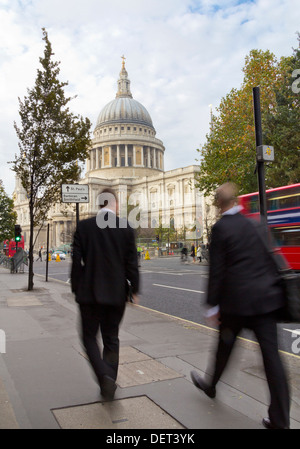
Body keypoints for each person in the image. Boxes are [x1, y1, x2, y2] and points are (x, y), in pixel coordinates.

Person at [190, 182, 290, 429]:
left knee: (224, 348)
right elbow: (271, 258)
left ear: (218, 205)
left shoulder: (221, 228)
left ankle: (211, 385)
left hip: (236, 305)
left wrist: (212, 305)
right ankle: (280, 420)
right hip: (266, 303)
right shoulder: (255, 223)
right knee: (272, 361)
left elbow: (217, 271)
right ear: (235, 202)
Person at [71, 188, 139, 400]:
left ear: (99, 204)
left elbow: (76, 263)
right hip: (116, 294)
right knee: (112, 338)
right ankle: (109, 380)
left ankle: (104, 377)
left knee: (89, 337)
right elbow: (132, 265)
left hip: (89, 293)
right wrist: (134, 290)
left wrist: (76, 288)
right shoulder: (126, 228)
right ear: (115, 204)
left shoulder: (84, 227)